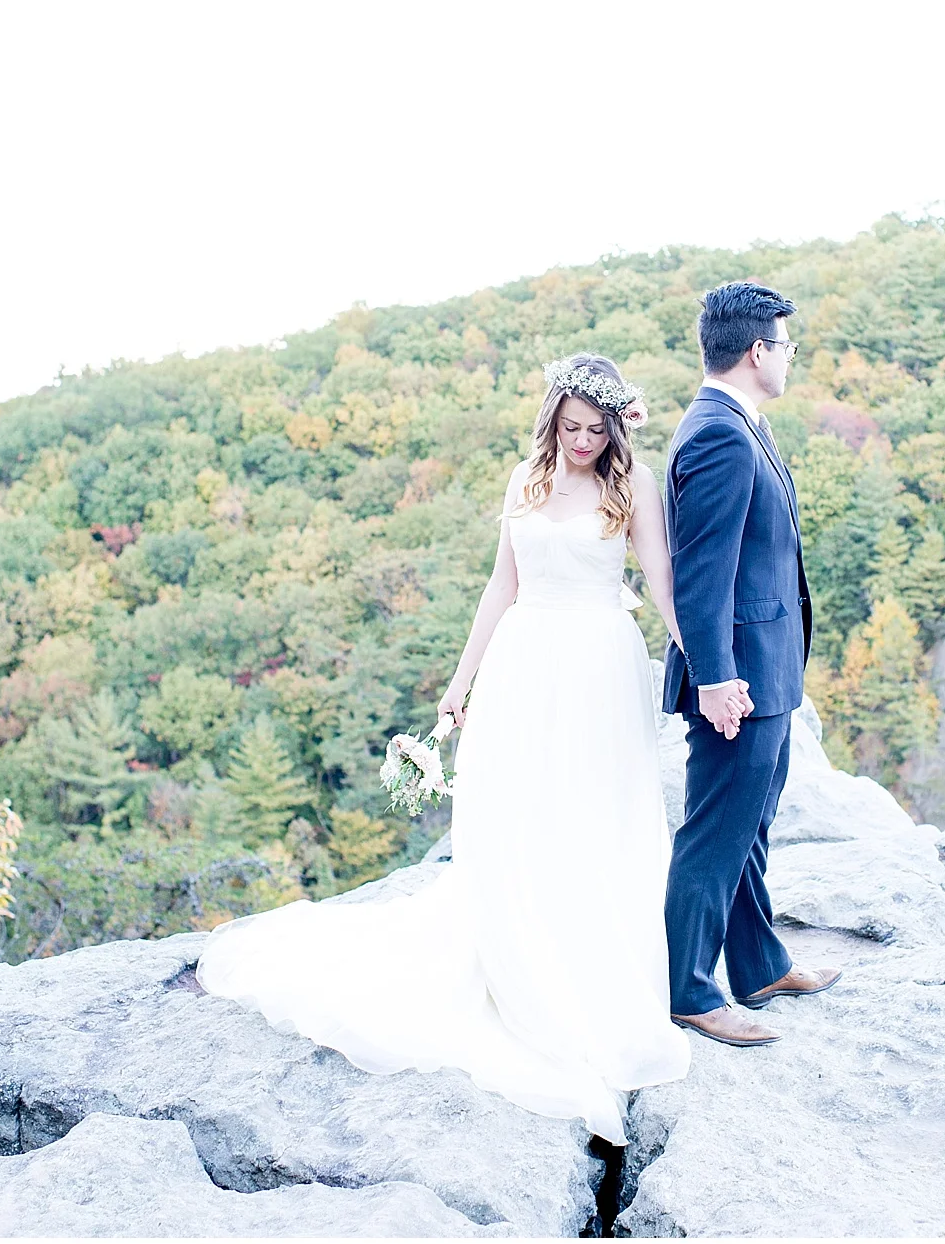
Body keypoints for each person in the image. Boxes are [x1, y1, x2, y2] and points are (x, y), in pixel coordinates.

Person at [195, 352, 690, 1146]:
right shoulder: (522, 481)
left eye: (597, 430)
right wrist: (459, 684)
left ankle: (589, 968)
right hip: (523, 663)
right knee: (513, 815)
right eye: (570, 427)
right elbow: (503, 584)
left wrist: (697, 656)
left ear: (616, 429)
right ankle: (517, 952)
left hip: (599, 665)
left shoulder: (631, 489)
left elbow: (662, 581)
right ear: (552, 418)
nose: (582, 441)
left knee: (595, 817)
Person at [662, 281, 841, 1048]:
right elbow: (702, 573)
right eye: (786, 344)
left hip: (768, 668)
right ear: (756, 350)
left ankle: (760, 962)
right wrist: (716, 678)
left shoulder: (744, 423)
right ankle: (690, 990)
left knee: (751, 827)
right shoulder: (717, 434)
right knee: (713, 833)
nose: (791, 356)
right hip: (736, 676)